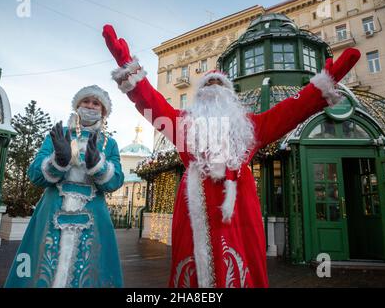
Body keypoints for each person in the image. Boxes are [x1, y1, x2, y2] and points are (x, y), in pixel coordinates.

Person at [102, 24, 360, 288]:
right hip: (193, 207)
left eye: (219, 83)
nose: (213, 87)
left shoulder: (250, 126)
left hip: (239, 210)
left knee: (239, 262)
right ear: (199, 95)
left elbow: (290, 112)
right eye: (208, 84)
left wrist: (320, 87)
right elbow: (151, 103)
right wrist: (127, 65)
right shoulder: (182, 125)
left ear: (230, 94)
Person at [4, 85, 124, 288]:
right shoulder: (58, 136)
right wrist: (58, 160)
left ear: (103, 111)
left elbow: (116, 181)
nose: (90, 106)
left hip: (93, 218)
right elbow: (35, 174)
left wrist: (98, 166)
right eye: (86, 101)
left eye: (96, 103)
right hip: (52, 212)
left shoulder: (109, 144)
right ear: (77, 105)